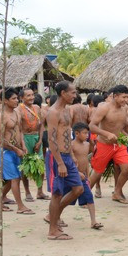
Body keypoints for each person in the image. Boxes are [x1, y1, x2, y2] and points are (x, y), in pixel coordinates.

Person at [45, 82, 84, 240]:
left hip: (67, 156)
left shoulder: (67, 110)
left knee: (78, 189)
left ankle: (52, 216)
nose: (75, 96)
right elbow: (52, 139)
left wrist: (71, 155)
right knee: (57, 193)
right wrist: (60, 162)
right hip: (57, 157)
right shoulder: (53, 112)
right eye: (72, 93)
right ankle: (52, 230)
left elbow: (67, 134)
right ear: (63, 93)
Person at [88, 85, 128, 204]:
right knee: (97, 172)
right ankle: (85, 198)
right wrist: (106, 134)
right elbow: (92, 126)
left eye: (127, 97)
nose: (125, 100)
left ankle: (117, 193)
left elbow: (123, 120)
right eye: (123, 97)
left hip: (119, 144)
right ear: (115, 96)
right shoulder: (104, 108)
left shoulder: (125, 108)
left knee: (127, 169)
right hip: (104, 144)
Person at [0, 88, 33, 214]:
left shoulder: (17, 113)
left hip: (16, 150)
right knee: (15, 178)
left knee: (15, 178)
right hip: (5, 151)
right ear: (5, 101)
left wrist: (23, 145)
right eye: (13, 98)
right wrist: (15, 149)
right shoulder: (1, 116)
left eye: (17, 98)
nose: (17, 100)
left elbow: (19, 130)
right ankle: (20, 206)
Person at [70, 122, 102, 230]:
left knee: (89, 197)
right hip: (73, 176)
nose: (87, 135)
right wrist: (77, 173)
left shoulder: (87, 145)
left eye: (87, 133)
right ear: (77, 133)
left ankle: (93, 221)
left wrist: (87, 175)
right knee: (66, 198)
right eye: (84, 133)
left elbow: (86, 161)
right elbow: (70, 162)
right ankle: (53, 216)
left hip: (83, 176)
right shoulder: (71, 145)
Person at [18, 87, 47, 201]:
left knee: (40, 166)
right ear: (22, 98)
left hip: (36, 138)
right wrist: (23, 144)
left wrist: (40, 140)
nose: (31, 97)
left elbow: (41, 125)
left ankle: (40, 191)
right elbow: (19, 129)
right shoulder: (18, 110)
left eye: (32, 95)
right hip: (25, 138)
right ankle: (27, 192)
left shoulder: (37, 108)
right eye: (28, 95)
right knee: (25, 167)